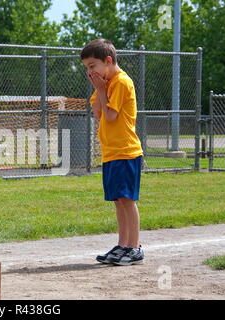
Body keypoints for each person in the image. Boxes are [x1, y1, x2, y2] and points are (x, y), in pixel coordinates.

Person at [81, 39, 144, 266]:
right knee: (118, 200)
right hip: (112, 153)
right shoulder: (107, 85)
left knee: (127, 200)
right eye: (87, 68)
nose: (90, 71)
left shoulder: (121, 82)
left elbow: (110, 116)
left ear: (108, 61)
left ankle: (134, 247)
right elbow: (98, 112)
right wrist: (99, 89)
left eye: (92, 66)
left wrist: (101, 89)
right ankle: (123, 244)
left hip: (126, 152)